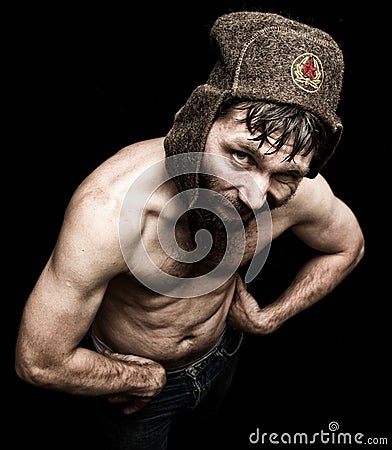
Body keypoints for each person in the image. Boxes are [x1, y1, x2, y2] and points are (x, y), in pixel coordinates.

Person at [15, 10, 364, 450]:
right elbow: (38, 360)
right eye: (241, 156)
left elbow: (349, 247)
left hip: (225, 357)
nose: (257, 195)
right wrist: (141, 377)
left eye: (285, 173)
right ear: (198, 123)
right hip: (137, 393)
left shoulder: (298, 191)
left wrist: (266, 319)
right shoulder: (110, 211)